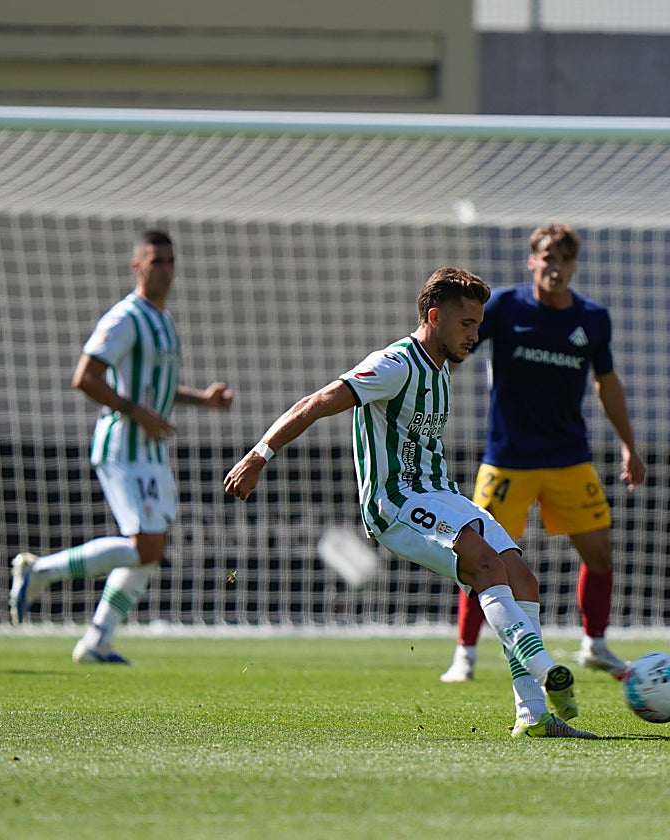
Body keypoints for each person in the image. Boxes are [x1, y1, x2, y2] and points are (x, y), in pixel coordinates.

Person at [223, 266, 596, 739]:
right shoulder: (394, 364)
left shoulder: (440, 368)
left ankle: (535, 716)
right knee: (481, 562)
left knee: (523, 578)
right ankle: (546, 669)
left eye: (479, 325)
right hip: (396, 504)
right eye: (466, 325)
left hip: (444, 496)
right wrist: (258, 456)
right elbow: (315, 403)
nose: (475, 335)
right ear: (435, 317)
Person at [8, 230, 234, 664]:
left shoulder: (163, 321)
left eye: (170, 261)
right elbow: (85, 378)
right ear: (137, 266)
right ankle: (39, 572)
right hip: (122, 447)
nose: (165, 269)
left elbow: (157, 390)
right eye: (156, 261)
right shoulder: (125, 317)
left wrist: (201, 399)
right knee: (147, 547)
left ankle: (97, 641)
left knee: (151, 552)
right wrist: (139, 413)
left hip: (148, 451)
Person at [438, 223, 645, 684]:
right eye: (547, 258)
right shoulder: (507, 307)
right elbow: (460, 344)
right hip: (507, 458)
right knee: (479, 556)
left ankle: (595, 644)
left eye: (565, 259)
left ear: (574, 265)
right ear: (533, 261)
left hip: (569, 457)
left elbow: (605, 383)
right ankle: (465, 654)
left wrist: (629, 446)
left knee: (599, 553)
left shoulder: (591, 318)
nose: (556, 267)